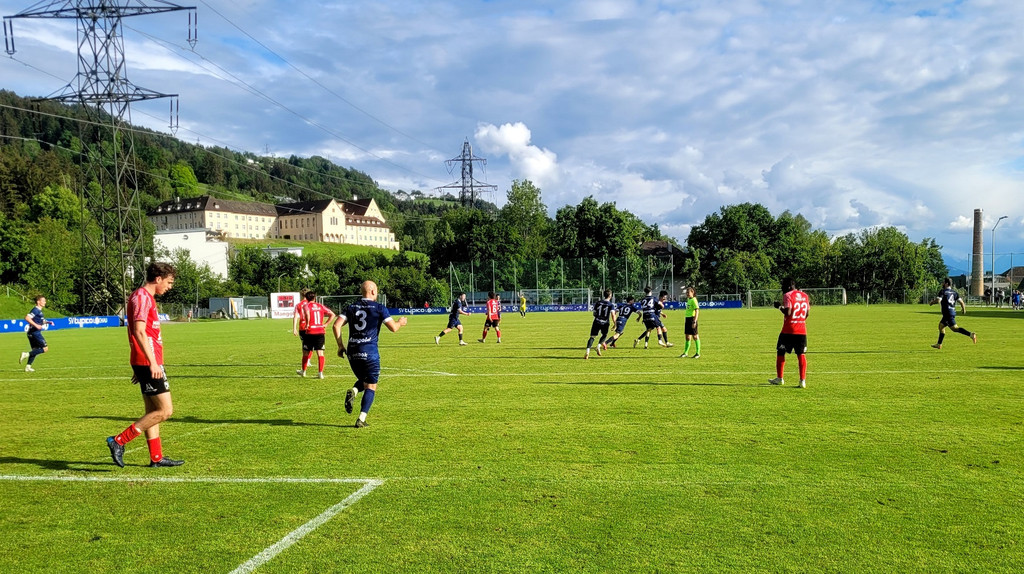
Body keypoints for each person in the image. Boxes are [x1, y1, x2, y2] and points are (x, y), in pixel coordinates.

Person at [105, 262, 184, 468]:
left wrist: (139, 364)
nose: (169, 287)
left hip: (144, 361)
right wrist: (152, 363)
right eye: (169, 282)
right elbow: (138, 331)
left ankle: (156, 457)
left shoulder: (144, 297)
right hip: (149, 362)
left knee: (152, 410)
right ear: (158, 279)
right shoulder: (141, 297)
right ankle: (119, 440)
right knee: (165, 411)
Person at [334, 280, 408, 428]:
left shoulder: (351, 307)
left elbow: (336, 325)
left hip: (353, 351)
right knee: (371, 386)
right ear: (373, 291)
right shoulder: (379, 308)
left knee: (364, 379)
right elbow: (393, 328)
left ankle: (354, 390)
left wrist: (340, 346)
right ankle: (361, 419)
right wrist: (400, 322)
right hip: (369, 351)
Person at [768, 278, 809, 388]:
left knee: (781, 352)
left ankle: (780, 378)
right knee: (801, 354)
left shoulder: (788, 295)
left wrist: (779, 307)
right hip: (801, 330)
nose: (782, 288)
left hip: (788, 330)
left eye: (783, 285)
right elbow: (807, 313)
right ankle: (802, 381)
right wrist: (799, 321)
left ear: (789, 286)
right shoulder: (805, 296)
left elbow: (788, 312)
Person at [297, 291, 336, 378]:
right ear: (315, 298)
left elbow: (307, 314)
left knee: (306, 352)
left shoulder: (306, 306)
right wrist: (326, 324)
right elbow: (332, 314)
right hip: (320, 331)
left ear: (306, 298)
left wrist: (307, 323)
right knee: (320, 353)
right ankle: (320, 373)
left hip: (310, 331)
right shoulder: (320, 306)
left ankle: (303, 371)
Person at [929, 277, 977, 349]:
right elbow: (961, 302)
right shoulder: (954, 292)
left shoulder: (943, 291)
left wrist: (932, 302)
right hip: (951, 312)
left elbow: (938, 300)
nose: (942, 283)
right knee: (941, 326)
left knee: (955, 328)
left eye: (943, 282)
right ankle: (939, 344)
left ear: (946, 284)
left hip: (947, 313)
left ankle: (971, 334)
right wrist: (963, 309)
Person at [19, 295, 54, 373]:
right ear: (38, 302)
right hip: (35, 333)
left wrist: (48, 322)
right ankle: (26, 354)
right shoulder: (36, 310)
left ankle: (28, 367)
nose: (45, 302)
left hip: (31, 333)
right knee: (45, 349)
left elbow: (40, 321)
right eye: (43, 301)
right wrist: (36, 325)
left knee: (35, 350)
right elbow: (27, 318)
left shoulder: (39, 311)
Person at [585, 290, 617, 359]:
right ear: (610, 296)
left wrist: (598, 317)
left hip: (596, 321)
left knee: (592, 337)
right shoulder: (611, 305)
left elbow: (594, 313)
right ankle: (598, 346)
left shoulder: (598, 303)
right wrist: (615, 324)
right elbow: (613, 314)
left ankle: (587, 351)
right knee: (604, 335)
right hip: (605, 323)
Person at [680, 287, 701, 358]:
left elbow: (697, 311)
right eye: (686, 292)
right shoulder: (689, 299)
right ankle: (686, 353)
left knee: (695, 336)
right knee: (687, 337)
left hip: (692, 319)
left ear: (692, 292)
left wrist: (694, 321)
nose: (687, 294)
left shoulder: (694, 300)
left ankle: (698, 353)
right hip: (687, 319)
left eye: (688, 292)